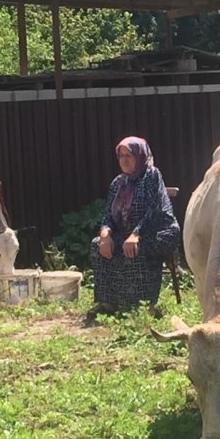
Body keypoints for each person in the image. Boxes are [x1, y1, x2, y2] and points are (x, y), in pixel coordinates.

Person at [86, 136, 180, 324]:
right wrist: (105, 234)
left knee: (136, 249)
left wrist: (136, 234)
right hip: (129, 233)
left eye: (129, 155)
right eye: (121, 156)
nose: (124, 160)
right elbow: (109, 216)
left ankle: (144, 304)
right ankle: (109, 302)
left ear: (140, 156)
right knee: (98, 246)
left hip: (159, 231)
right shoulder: (118, 183)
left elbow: (153, 210)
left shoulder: (152, 175)